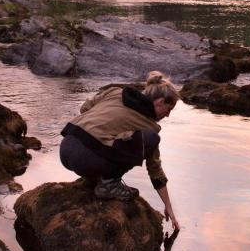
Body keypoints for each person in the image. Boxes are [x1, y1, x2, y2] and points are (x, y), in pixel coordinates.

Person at [60, 71, 180, 230]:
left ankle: (98, 177)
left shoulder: (116, 91)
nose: (168, 115)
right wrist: (168, 207)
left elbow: (85, 108)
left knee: (112, 139)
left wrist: (106, 124)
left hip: (66, 147)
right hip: (85, 160)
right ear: (160, 102)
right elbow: (154, 169)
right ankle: (109, 184)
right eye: (169, 109)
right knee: (150, 139)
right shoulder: (149, 126)